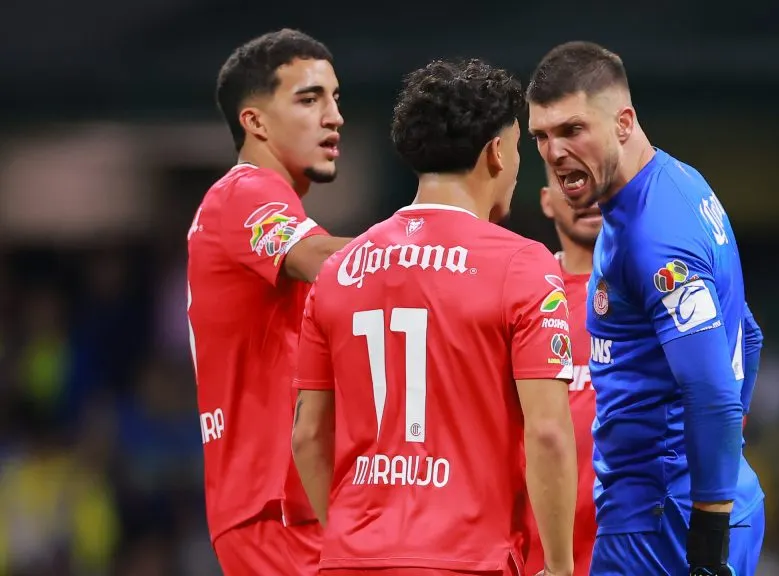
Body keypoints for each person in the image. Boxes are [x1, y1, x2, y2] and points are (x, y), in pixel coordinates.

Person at [289, 57, 578, 576]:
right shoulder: (521, 264)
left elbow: (308, 436)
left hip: (351, 560)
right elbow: (550, 433)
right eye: (516, 148)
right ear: (495, 152)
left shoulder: (337, 271)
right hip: (469, 560)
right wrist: (559, 567)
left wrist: (352, 537)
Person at [526, 41, 766, 576]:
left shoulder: (653, 237)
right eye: (541, 136)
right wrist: (725, 473)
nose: (554, 151)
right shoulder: (681, 184)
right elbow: (748, 335)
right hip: (681, 504)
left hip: (661, 520)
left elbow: (712, 394)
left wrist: (706, 534)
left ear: (623, 121)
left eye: (572, 129)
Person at [186, 28, 353, 576]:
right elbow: (317, 258)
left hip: (291, 504)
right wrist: (445, 244)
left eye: (335, 98)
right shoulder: (242, 193)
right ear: (254, 121)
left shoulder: (268, 205)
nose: (334, 117)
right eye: (310, 99)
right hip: (273, 507)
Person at [523, 167, 600, 576]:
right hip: (541, 560)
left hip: (636, 549)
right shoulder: (524, 296)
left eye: (596, 180)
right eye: (569, 182)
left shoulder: (659, 293)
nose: (586, 195)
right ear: (545, 200)